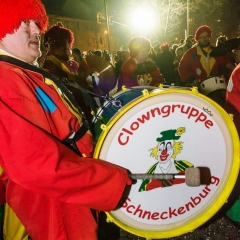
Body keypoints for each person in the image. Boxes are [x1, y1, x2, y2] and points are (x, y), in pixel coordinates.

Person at [0, 1, 132, 240]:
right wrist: (107, 179)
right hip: (50, 212)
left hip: (66, 199)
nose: (37, 30)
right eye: (24, 22)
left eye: (36, 22)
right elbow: (34, 165)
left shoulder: (21, 72)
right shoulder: (6, 80)